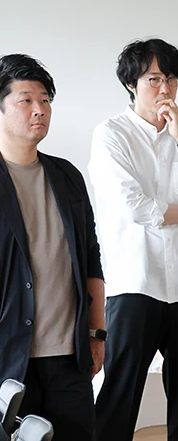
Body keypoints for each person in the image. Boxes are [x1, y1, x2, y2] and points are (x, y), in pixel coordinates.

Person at [89, 38, 178, 441]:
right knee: (120, 396)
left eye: (172, 79)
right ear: (132, 83)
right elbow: (137, 208)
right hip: (135, 283)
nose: (165, 90)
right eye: (154, 79)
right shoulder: (111, 134)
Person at [0, 54, 105, 440]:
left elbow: (91, 257)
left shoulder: (67, 176)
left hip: (68, 358)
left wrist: (97, 334)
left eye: (45, 100)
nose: (39, 110)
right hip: (9, 359)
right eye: (26, 100)